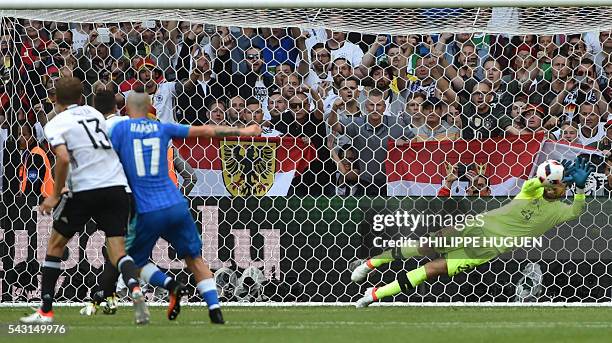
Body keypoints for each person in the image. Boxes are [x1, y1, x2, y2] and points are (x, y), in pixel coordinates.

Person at [352, 157, 594, 307]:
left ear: (567, 187)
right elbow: (533, 183)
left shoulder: (561, 210)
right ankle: (372, 262)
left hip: (486, 249)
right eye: (552, 182)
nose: (554, 187)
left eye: (560, 183)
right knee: (423, 247)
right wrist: (547, 178)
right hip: (475, 227)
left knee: (431, 270)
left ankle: (375, 295)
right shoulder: (531, 192)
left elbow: (577, 210)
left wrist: (581, 188)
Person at [108, 92, 261, 324]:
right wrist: (246, 132)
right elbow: (208, 130)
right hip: (176, 204)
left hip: (148, 209)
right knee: (194, 257)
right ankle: (215, 309)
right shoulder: (163, 129)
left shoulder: (119, 130)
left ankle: (169, 285)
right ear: (150, 108)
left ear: (127, 110)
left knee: (131, 260)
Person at [20, 77, 147, 325]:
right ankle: (135, 289)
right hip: (116, 187)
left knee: (55, 245)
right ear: (81, 98)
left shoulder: (56, 123)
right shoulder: (94, 113)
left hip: (86, 188)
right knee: (118, 251)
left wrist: (54, 195)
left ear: (54, 99)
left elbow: (64, 159)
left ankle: (45, 310)